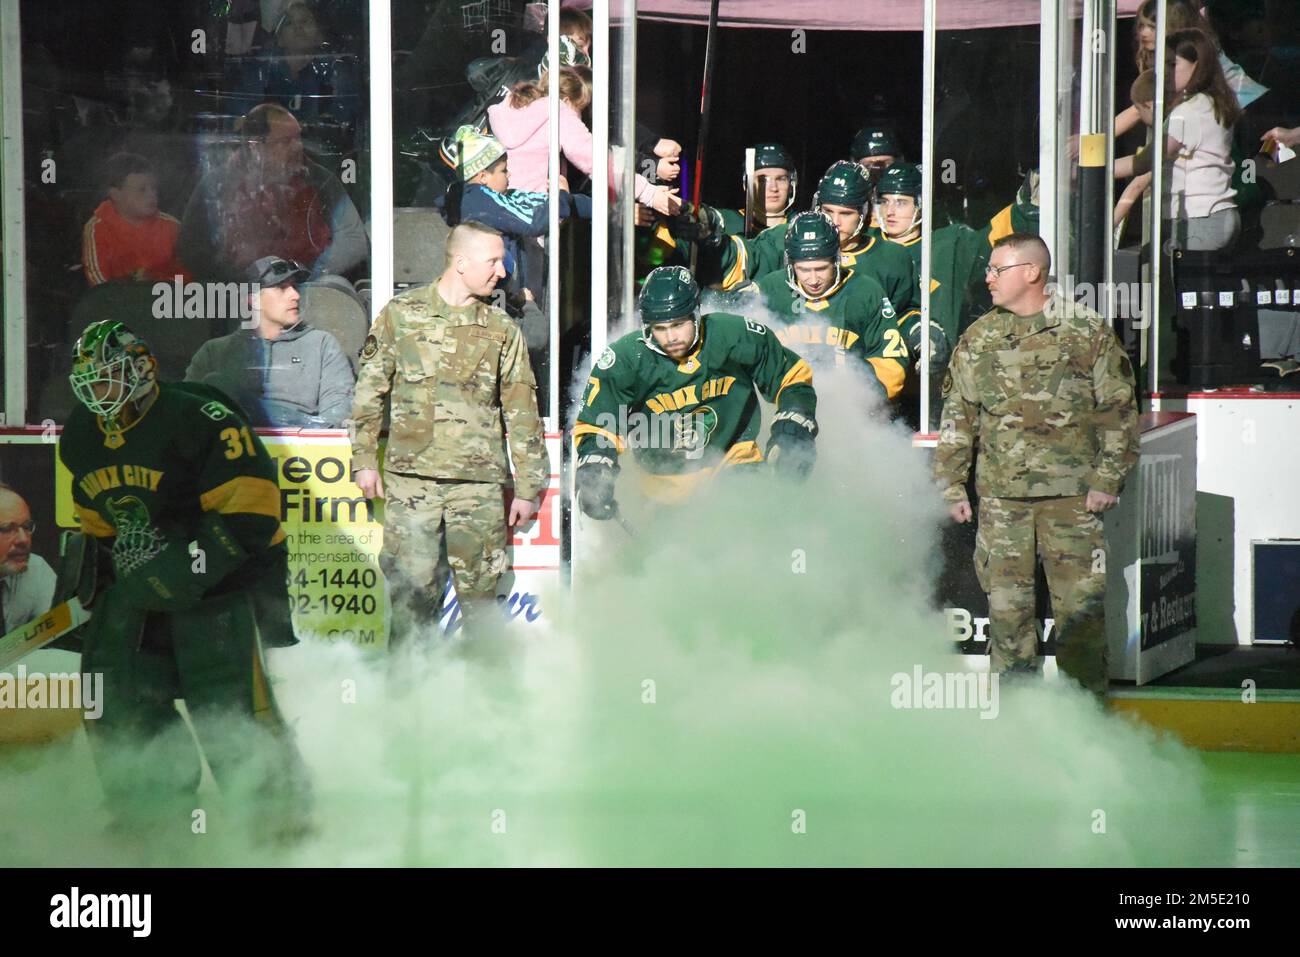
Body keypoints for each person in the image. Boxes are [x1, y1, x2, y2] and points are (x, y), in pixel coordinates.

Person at [57, 320, 308, 834]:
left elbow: (253, 516)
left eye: (107, 377)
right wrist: (103, 575)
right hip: (147, 582)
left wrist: (182, 569)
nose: (96, 391)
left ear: (141, 370)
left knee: (229, 706)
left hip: (223, 584)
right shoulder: (81, 433)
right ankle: (150, 816)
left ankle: (280, 826)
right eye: (89, 379)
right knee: (117, 693)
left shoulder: (201, 417)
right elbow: (97, 519)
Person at [933, 234, 1140, 695]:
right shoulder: (980, 336)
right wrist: (950, 484)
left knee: (1080, 614)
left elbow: (1119, 410)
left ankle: (1086, 721)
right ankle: (1017, 723)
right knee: (1007, 618)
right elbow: (958, 417)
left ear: (1031, 272)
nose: (987, 278)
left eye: (996, 269)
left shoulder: (1085, 330)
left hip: (1072, 500)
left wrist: (1108, 478)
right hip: (1003, 501)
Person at [349, 222, 549, 646]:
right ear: (461, 263)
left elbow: (522, 412)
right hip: (411, 485)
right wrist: (364, 459)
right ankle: (404, 701)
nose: (503, 271)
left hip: (477, 491)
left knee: (480, 604)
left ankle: (481, 702)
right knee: (410, 600)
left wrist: (529, 487)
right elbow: (369, 391)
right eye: (493, 260)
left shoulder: (501, 331)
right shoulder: (401, 316)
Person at [574, 265, 818, 516]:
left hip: (733, 459)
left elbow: (791, 376)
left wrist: (793, 424)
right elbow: (596, 423)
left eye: (678, 324)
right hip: (663, 481)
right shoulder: (626, 358)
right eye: (660, 328)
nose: (670, 337)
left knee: (747, 535)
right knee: (672, 552)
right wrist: (596, 466)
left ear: (696, 315)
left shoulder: (734, 334)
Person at [178, 102, 368, 281]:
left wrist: (309, 276)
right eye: (286, 141)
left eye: (298, 137)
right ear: (255, 147)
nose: (298, 146)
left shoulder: (320, 179)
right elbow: (192, 250)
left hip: (313, 294)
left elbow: (354, 240)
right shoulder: (218, 184)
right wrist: (244, 283)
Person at [754, 211, 908, 403]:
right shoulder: (770, 288)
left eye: (821, 269)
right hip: (785, 403)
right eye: (803, 269)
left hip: (849, 406)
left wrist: (862, 397)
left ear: (836, 259)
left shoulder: (866, 291)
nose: (813, 279)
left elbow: (891, 362)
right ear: (790, 263)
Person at [184, 256, 355, 428]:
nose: (295, 295)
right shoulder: (215, 351)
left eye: (294, 287)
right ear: (254, 300)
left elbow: (337, 416)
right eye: (281, 288)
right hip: (232, 446)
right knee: (215, 383)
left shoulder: (322, 345)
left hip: (303, 447)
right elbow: (186, 415)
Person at [485, 64, 677, 216]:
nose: (581, 118)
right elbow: (598, 163)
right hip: (536, 214)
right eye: (581, 108)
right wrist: (650, 194)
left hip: (503, 208)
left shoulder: (510, 113)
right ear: (567, 101)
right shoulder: (559, 113)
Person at [1115, 28, 1241, 252]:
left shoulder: (1188, 112)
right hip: (1218, 215)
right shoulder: (1213, 102)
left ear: (1197, 65)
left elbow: (1146, 161)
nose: (1165, 73)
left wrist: (1095, 168)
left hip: (1198, 219)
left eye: (1173, 65)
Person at [873, 162, 985, 363]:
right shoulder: (867, 247)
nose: (889, 211)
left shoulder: (949, 245)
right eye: (884, 201)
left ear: (920, 203)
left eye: (900, 202)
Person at [814, 161, 919, 316]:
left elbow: (907, 313)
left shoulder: (893, 258)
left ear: (864, 212)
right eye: (828, 211)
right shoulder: (792, 250)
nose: (835, 222)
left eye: (846, 213)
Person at [82, 153, 190, 287]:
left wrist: (158, 283)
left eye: (153, 188)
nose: (152, 194)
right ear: (116, 195)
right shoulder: (97, 228)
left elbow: (189, 275)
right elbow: (99, 284)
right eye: (142, 190)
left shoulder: (172, 227)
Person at [0, 485, 56, 633]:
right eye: (6, 528)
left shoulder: (37, 570)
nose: (24, 540)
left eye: (26, 527)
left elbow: (59, 633)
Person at [718, 142, 800, 237]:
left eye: (781, 179)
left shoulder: (801, 226)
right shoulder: (725, 222)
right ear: (747, 184)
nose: (773, 188)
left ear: (791, 185)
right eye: (763, 180)